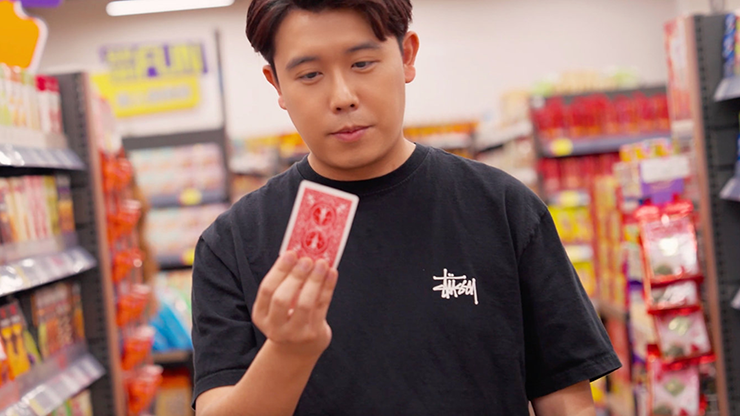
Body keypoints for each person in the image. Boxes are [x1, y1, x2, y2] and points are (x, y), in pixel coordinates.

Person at [191, 0, 621, 415]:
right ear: (276, 85)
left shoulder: (504, 208)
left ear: (407, 55)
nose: (342, 96)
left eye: (362, 63)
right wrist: (288, 352)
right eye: (310, 74)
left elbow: (567, 399)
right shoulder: (231, 244)